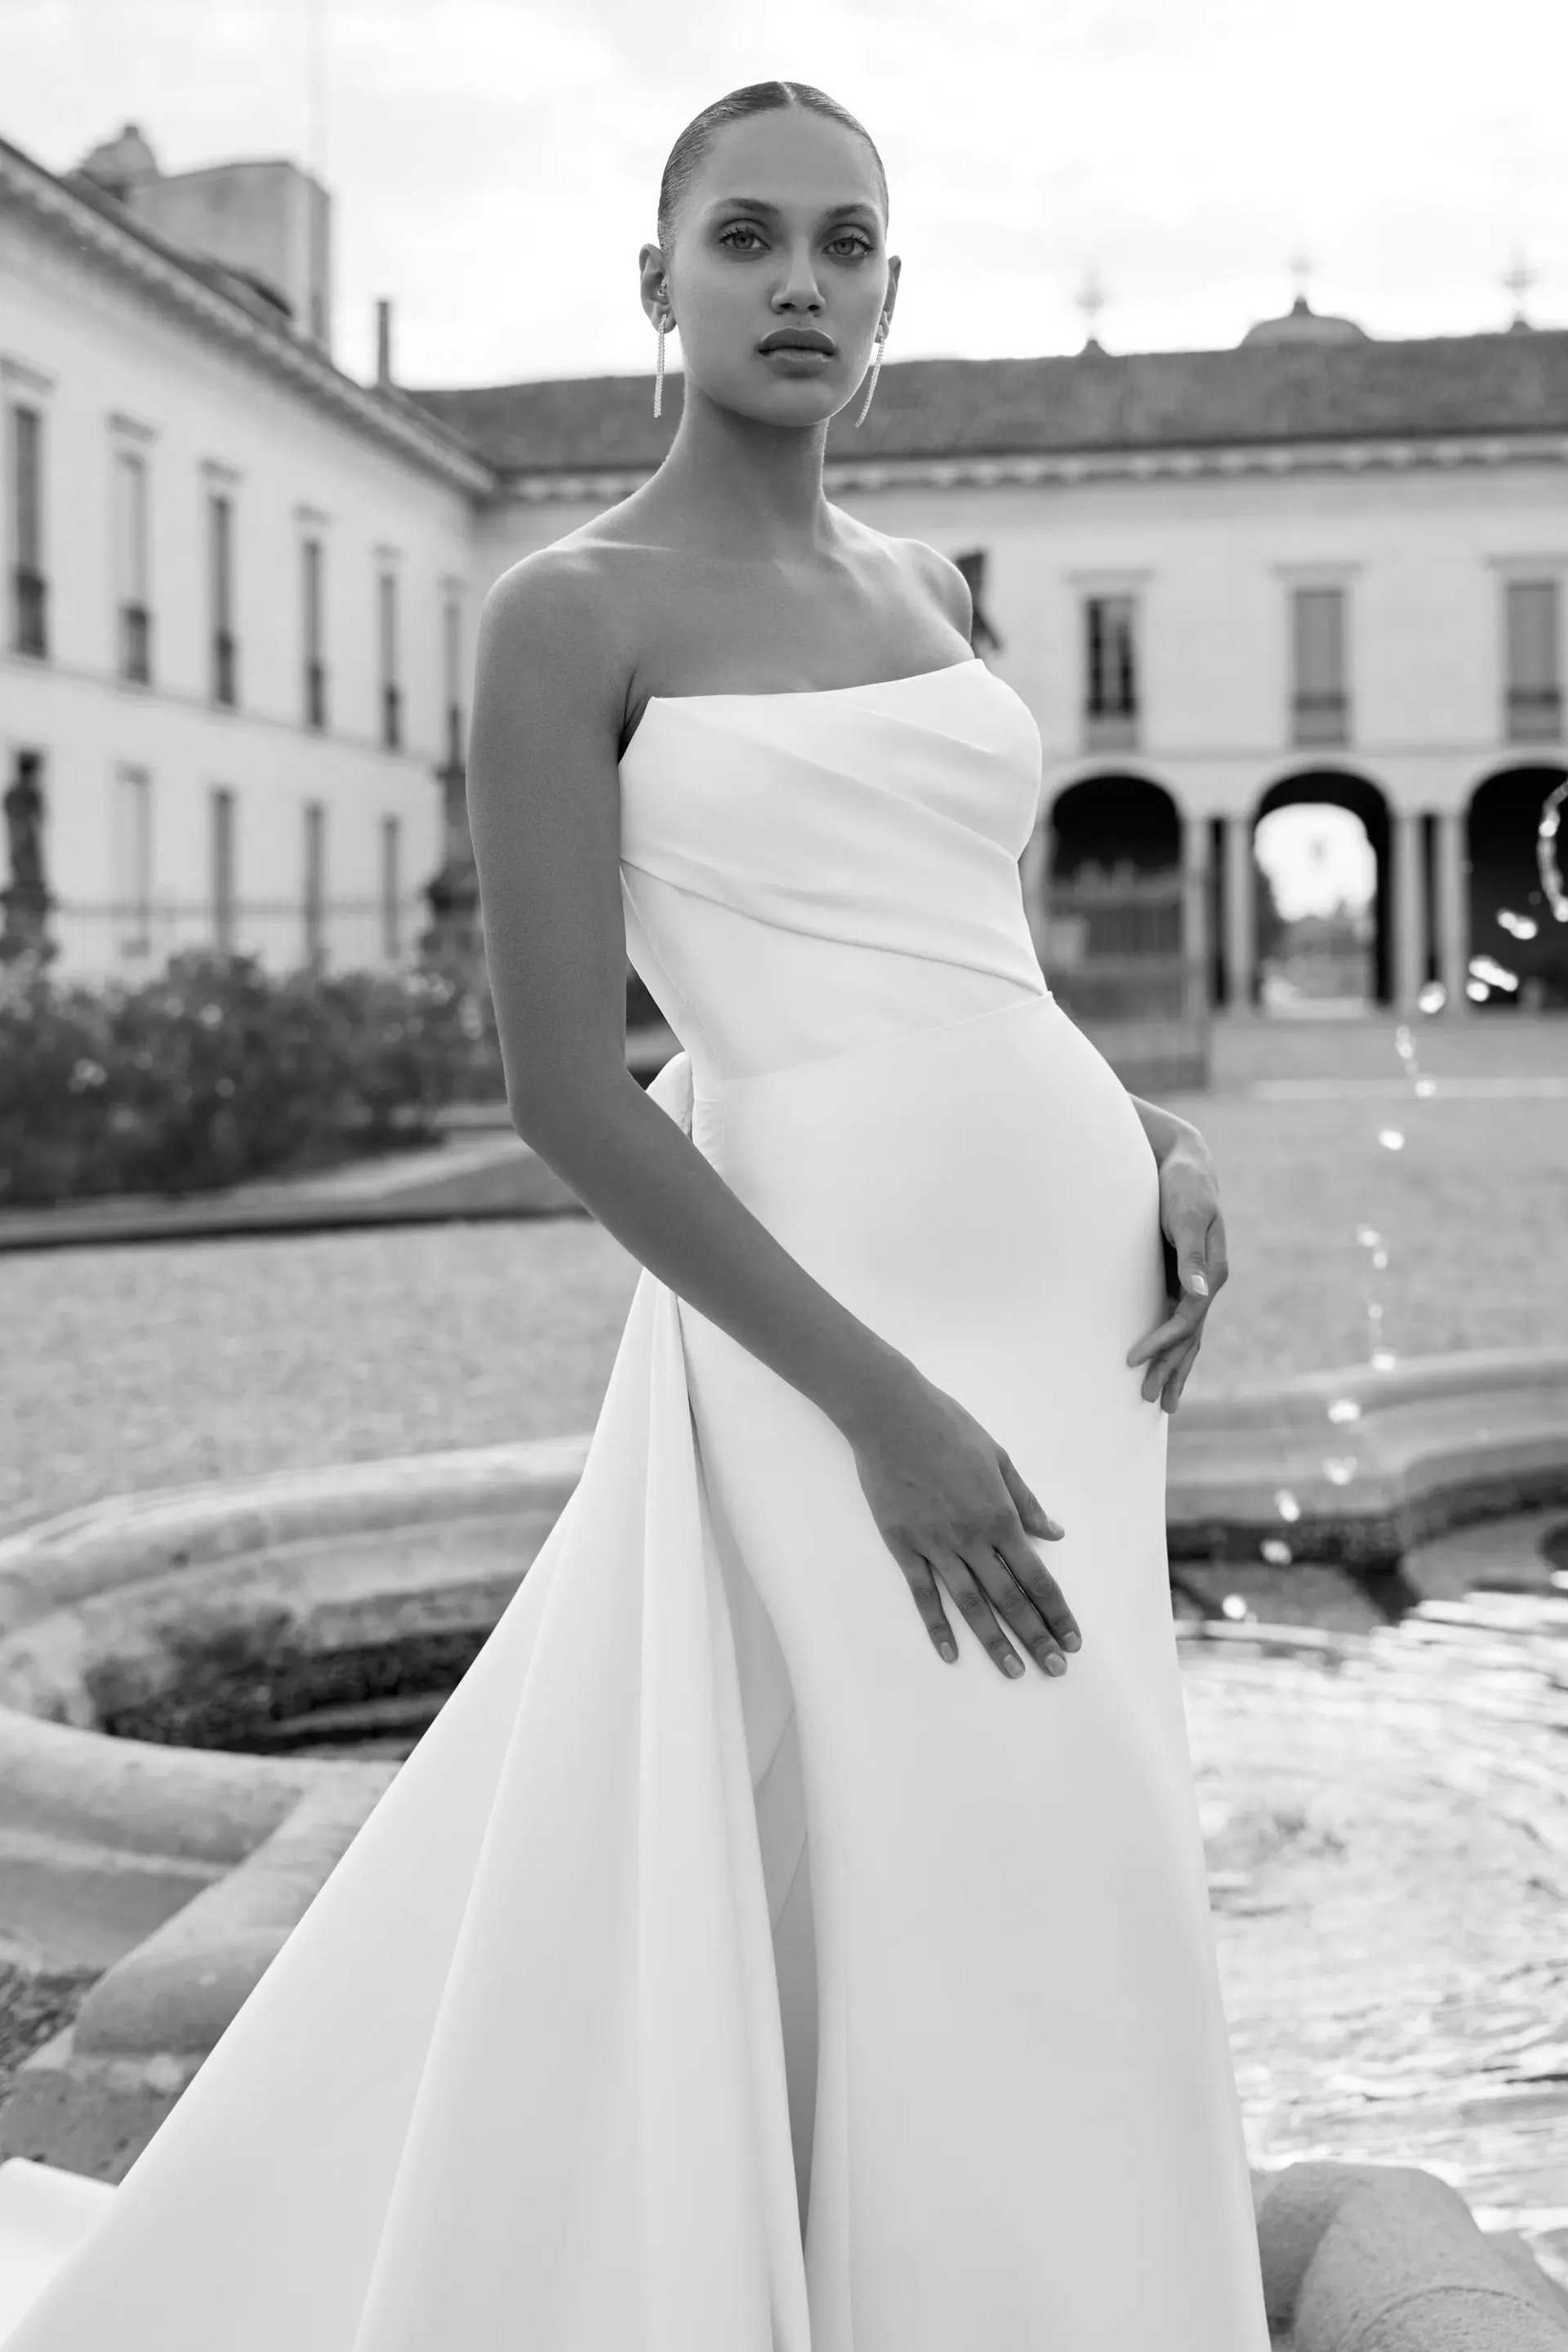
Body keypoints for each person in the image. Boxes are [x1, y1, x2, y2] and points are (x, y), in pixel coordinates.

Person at [3, 80, 1271, 2352]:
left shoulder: (932, 589)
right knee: (962, 1836)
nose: (803, 283)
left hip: (1082, 1318)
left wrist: (1149, 1151)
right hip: (833, 1341)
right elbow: (572, 1097)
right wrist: (882, 1406)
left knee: (1076, 1845)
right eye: (752, 239)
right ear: (658, 280)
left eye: (850, 245)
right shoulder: (562, 613)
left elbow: (976, 964)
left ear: (895, 292)